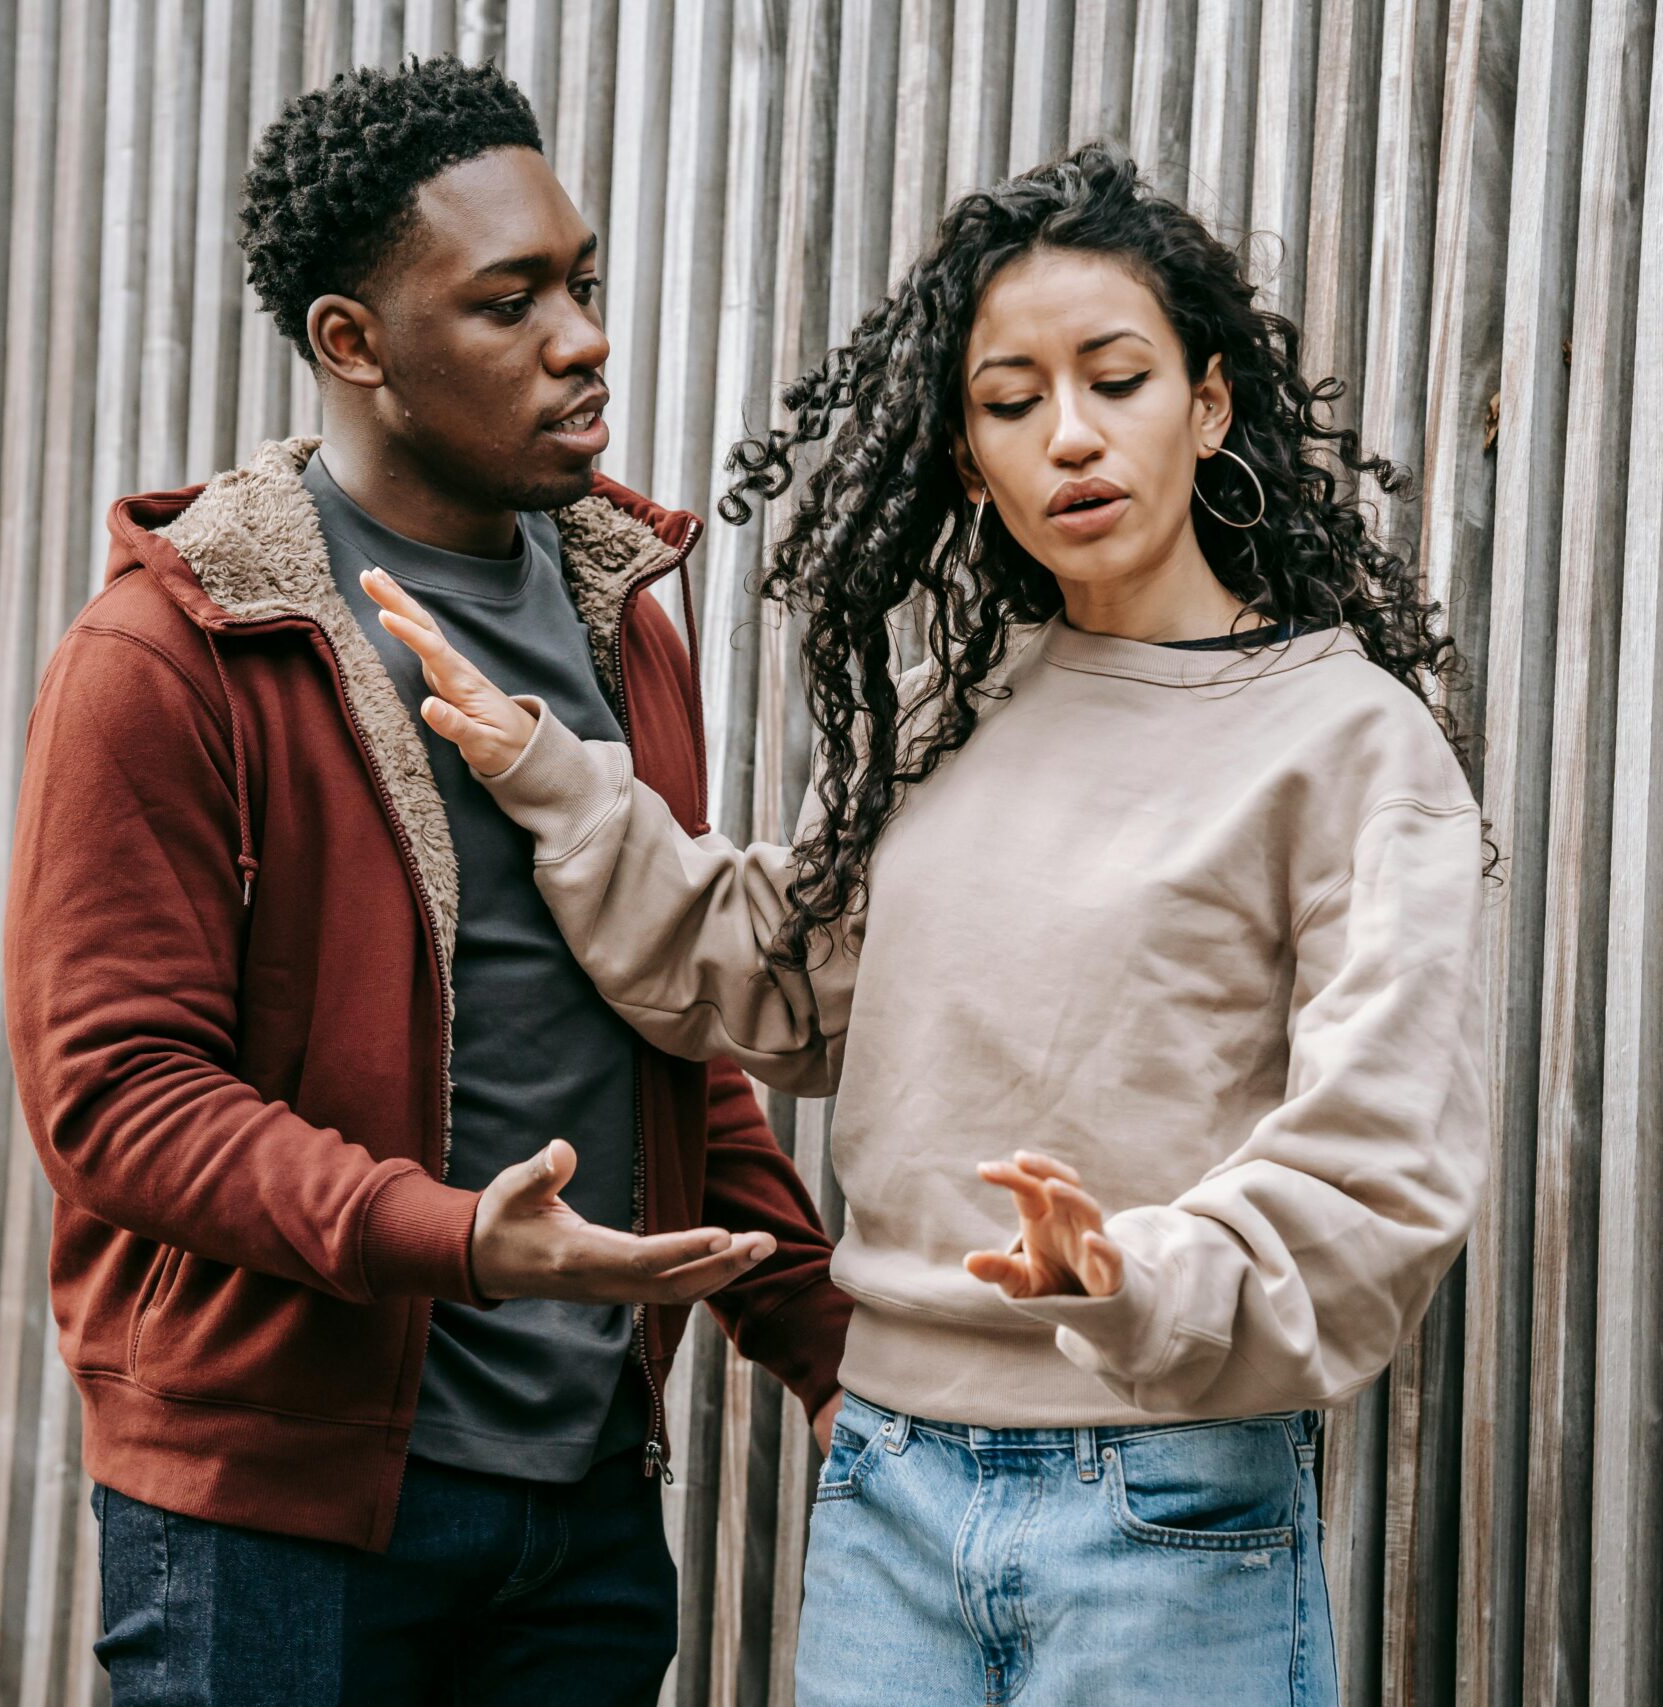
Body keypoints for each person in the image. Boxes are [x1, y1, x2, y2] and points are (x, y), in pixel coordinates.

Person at [367, 143, 1489, 1705]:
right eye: (1014, 404)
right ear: (967, 459)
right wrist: (549, 778)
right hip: (890, 1487)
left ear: (1210, 404)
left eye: (1119, 380)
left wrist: (1131, 1271)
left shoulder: (1352, 748)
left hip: (1162, 1503)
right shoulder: (945, 720)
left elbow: (1384, 1172)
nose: (1072, 438)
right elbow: (773, 982)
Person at [3, 57, 850, 1704]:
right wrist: (455, 1237)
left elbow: (665, 1026)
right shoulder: (172, 656)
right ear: (354, 344)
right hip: (278, 1521)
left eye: (584, 283)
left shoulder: (625, 625)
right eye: (510, 301)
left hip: (588, 1510)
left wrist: (828, 1347)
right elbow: (114, 1096)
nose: (584, 338)